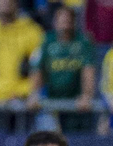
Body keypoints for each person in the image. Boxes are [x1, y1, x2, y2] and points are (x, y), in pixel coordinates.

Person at [29, 5, 96, 133]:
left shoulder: (83, 42)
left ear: (74, 22)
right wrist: (34, 94)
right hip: (51, 102)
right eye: (61, 20)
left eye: (68, 20)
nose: (65, 24)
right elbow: (37, 69)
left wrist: (87, 95)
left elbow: (88, 71)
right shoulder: (46, 41)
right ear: (55, 22)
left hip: (76, 104)